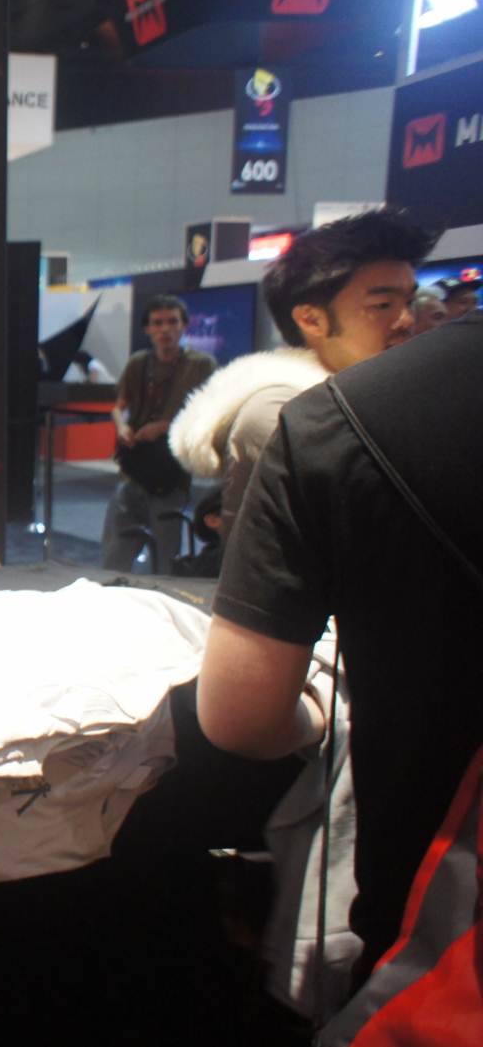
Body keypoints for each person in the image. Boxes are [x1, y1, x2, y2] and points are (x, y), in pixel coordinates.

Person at [196, 316, 483, 992]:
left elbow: (240, 716)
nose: (404, 316)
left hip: (434, 917)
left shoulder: (334, 420)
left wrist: (315, 718)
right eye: (382, 298)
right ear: (311, 314)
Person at [171, 209, 438, 540]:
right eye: (382, 305)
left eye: (409, 302)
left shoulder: (365, 400)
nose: (406, 321)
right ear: (311, 320)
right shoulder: (283, 414)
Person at [100, 295, 216, 573]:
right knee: (116, 551)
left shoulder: (201, 365)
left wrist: (164, 426)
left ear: (184, 326)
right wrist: (122, 427)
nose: (165, 329)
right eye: (157, 323)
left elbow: (208, 411)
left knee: (167, 557)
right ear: (147, 329)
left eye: (172, 322)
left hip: (171, 471)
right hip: (134, 468)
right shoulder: (138, 363)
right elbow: (119, 408)